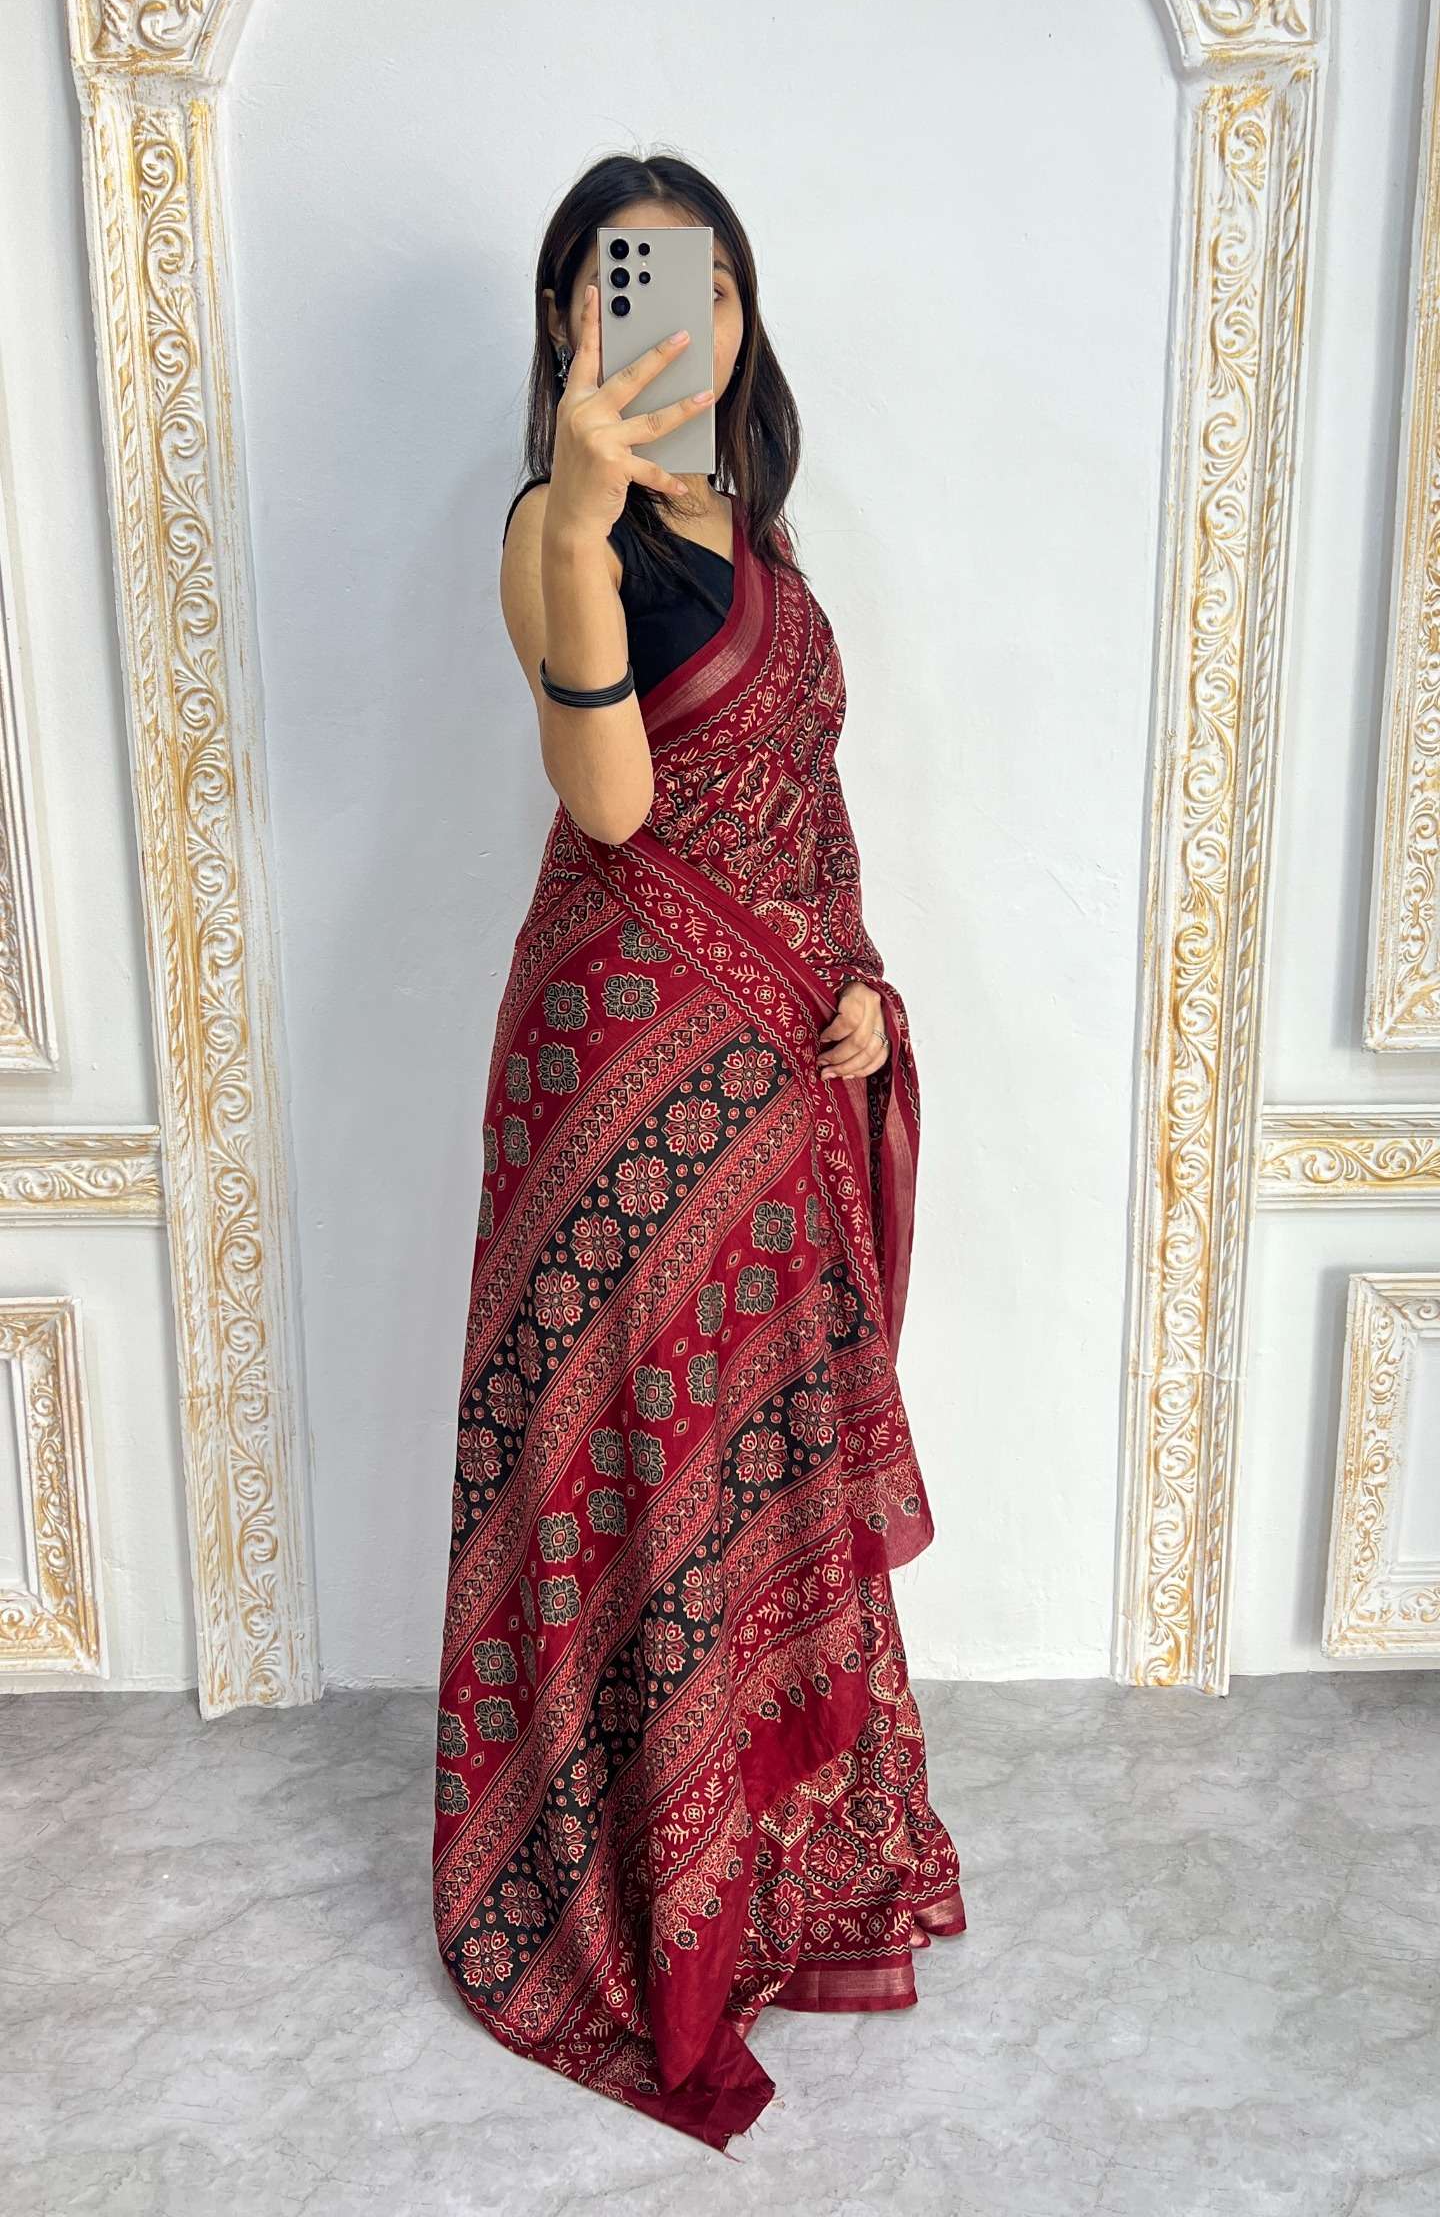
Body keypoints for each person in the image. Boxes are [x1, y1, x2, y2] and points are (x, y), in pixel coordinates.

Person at [432, 153, 965, 2155]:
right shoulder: (546, 530)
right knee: (640, 1463)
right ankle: (638, 1894)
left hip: (774, 1076)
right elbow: (613, 798)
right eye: (624, 284)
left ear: (740, 316)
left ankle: (778, 1873)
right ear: (566, 321)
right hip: (622, 1080)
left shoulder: (759, 531)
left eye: (704, 284)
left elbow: (802, 803)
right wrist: (580, 520)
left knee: (758, 1453)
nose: (674, 319)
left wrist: (860, 985)